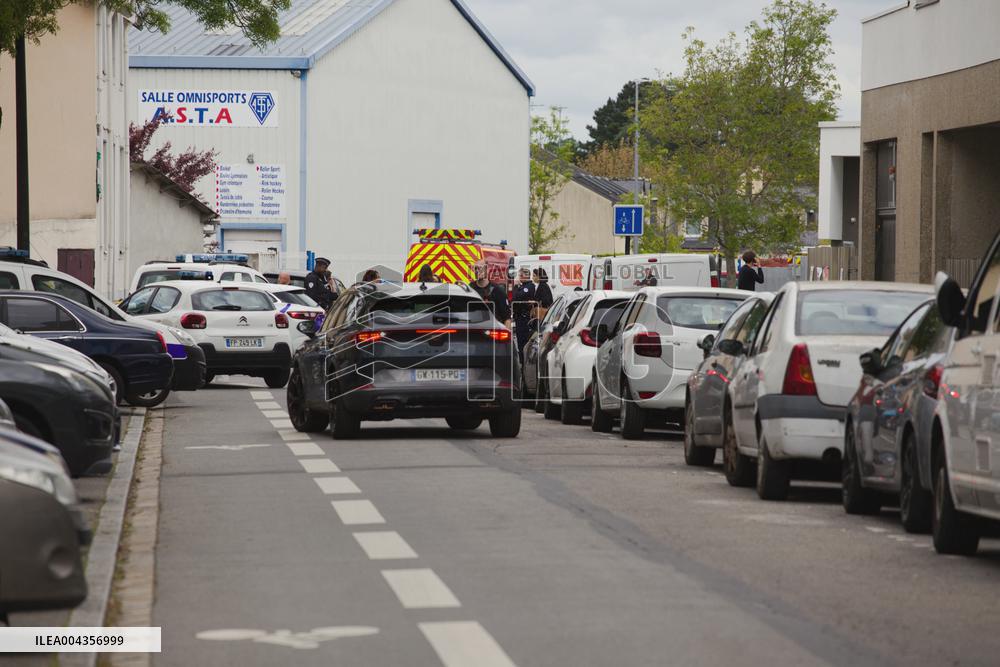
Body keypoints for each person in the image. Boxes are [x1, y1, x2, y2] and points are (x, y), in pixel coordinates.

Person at [469, 261, 510, 327]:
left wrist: (507, 336)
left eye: (480, 268)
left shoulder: (497, 290)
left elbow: (507, 318)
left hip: (493, 331)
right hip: (475, 330)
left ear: (487, 270)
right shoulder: (470, 289)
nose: (477, 271)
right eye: (476, 268)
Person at [510, 268, 536, 357]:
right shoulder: (523, 286)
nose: (519, 277)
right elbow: (513, 298)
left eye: (520, 275)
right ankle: (522, 359)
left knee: (523, 339)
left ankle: (523, 359)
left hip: (524, 317)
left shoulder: (529, 286)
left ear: (524, 276)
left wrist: (516, 287)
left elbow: (518, 296)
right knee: (520, 339)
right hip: (519, 316)